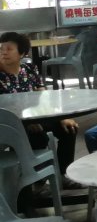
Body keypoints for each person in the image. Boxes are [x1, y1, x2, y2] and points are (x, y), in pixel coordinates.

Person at [0, 31, 81, 182]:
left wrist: (60, 117)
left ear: (22, 53)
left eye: (9, 49)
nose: (4, 52)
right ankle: (38, 180)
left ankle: (64, 175)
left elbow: (43, 97)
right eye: (1, 49)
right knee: (38, 137)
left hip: (35, 116)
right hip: (10, 123)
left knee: (69, 128)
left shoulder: (29, 70)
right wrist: (27, 122)